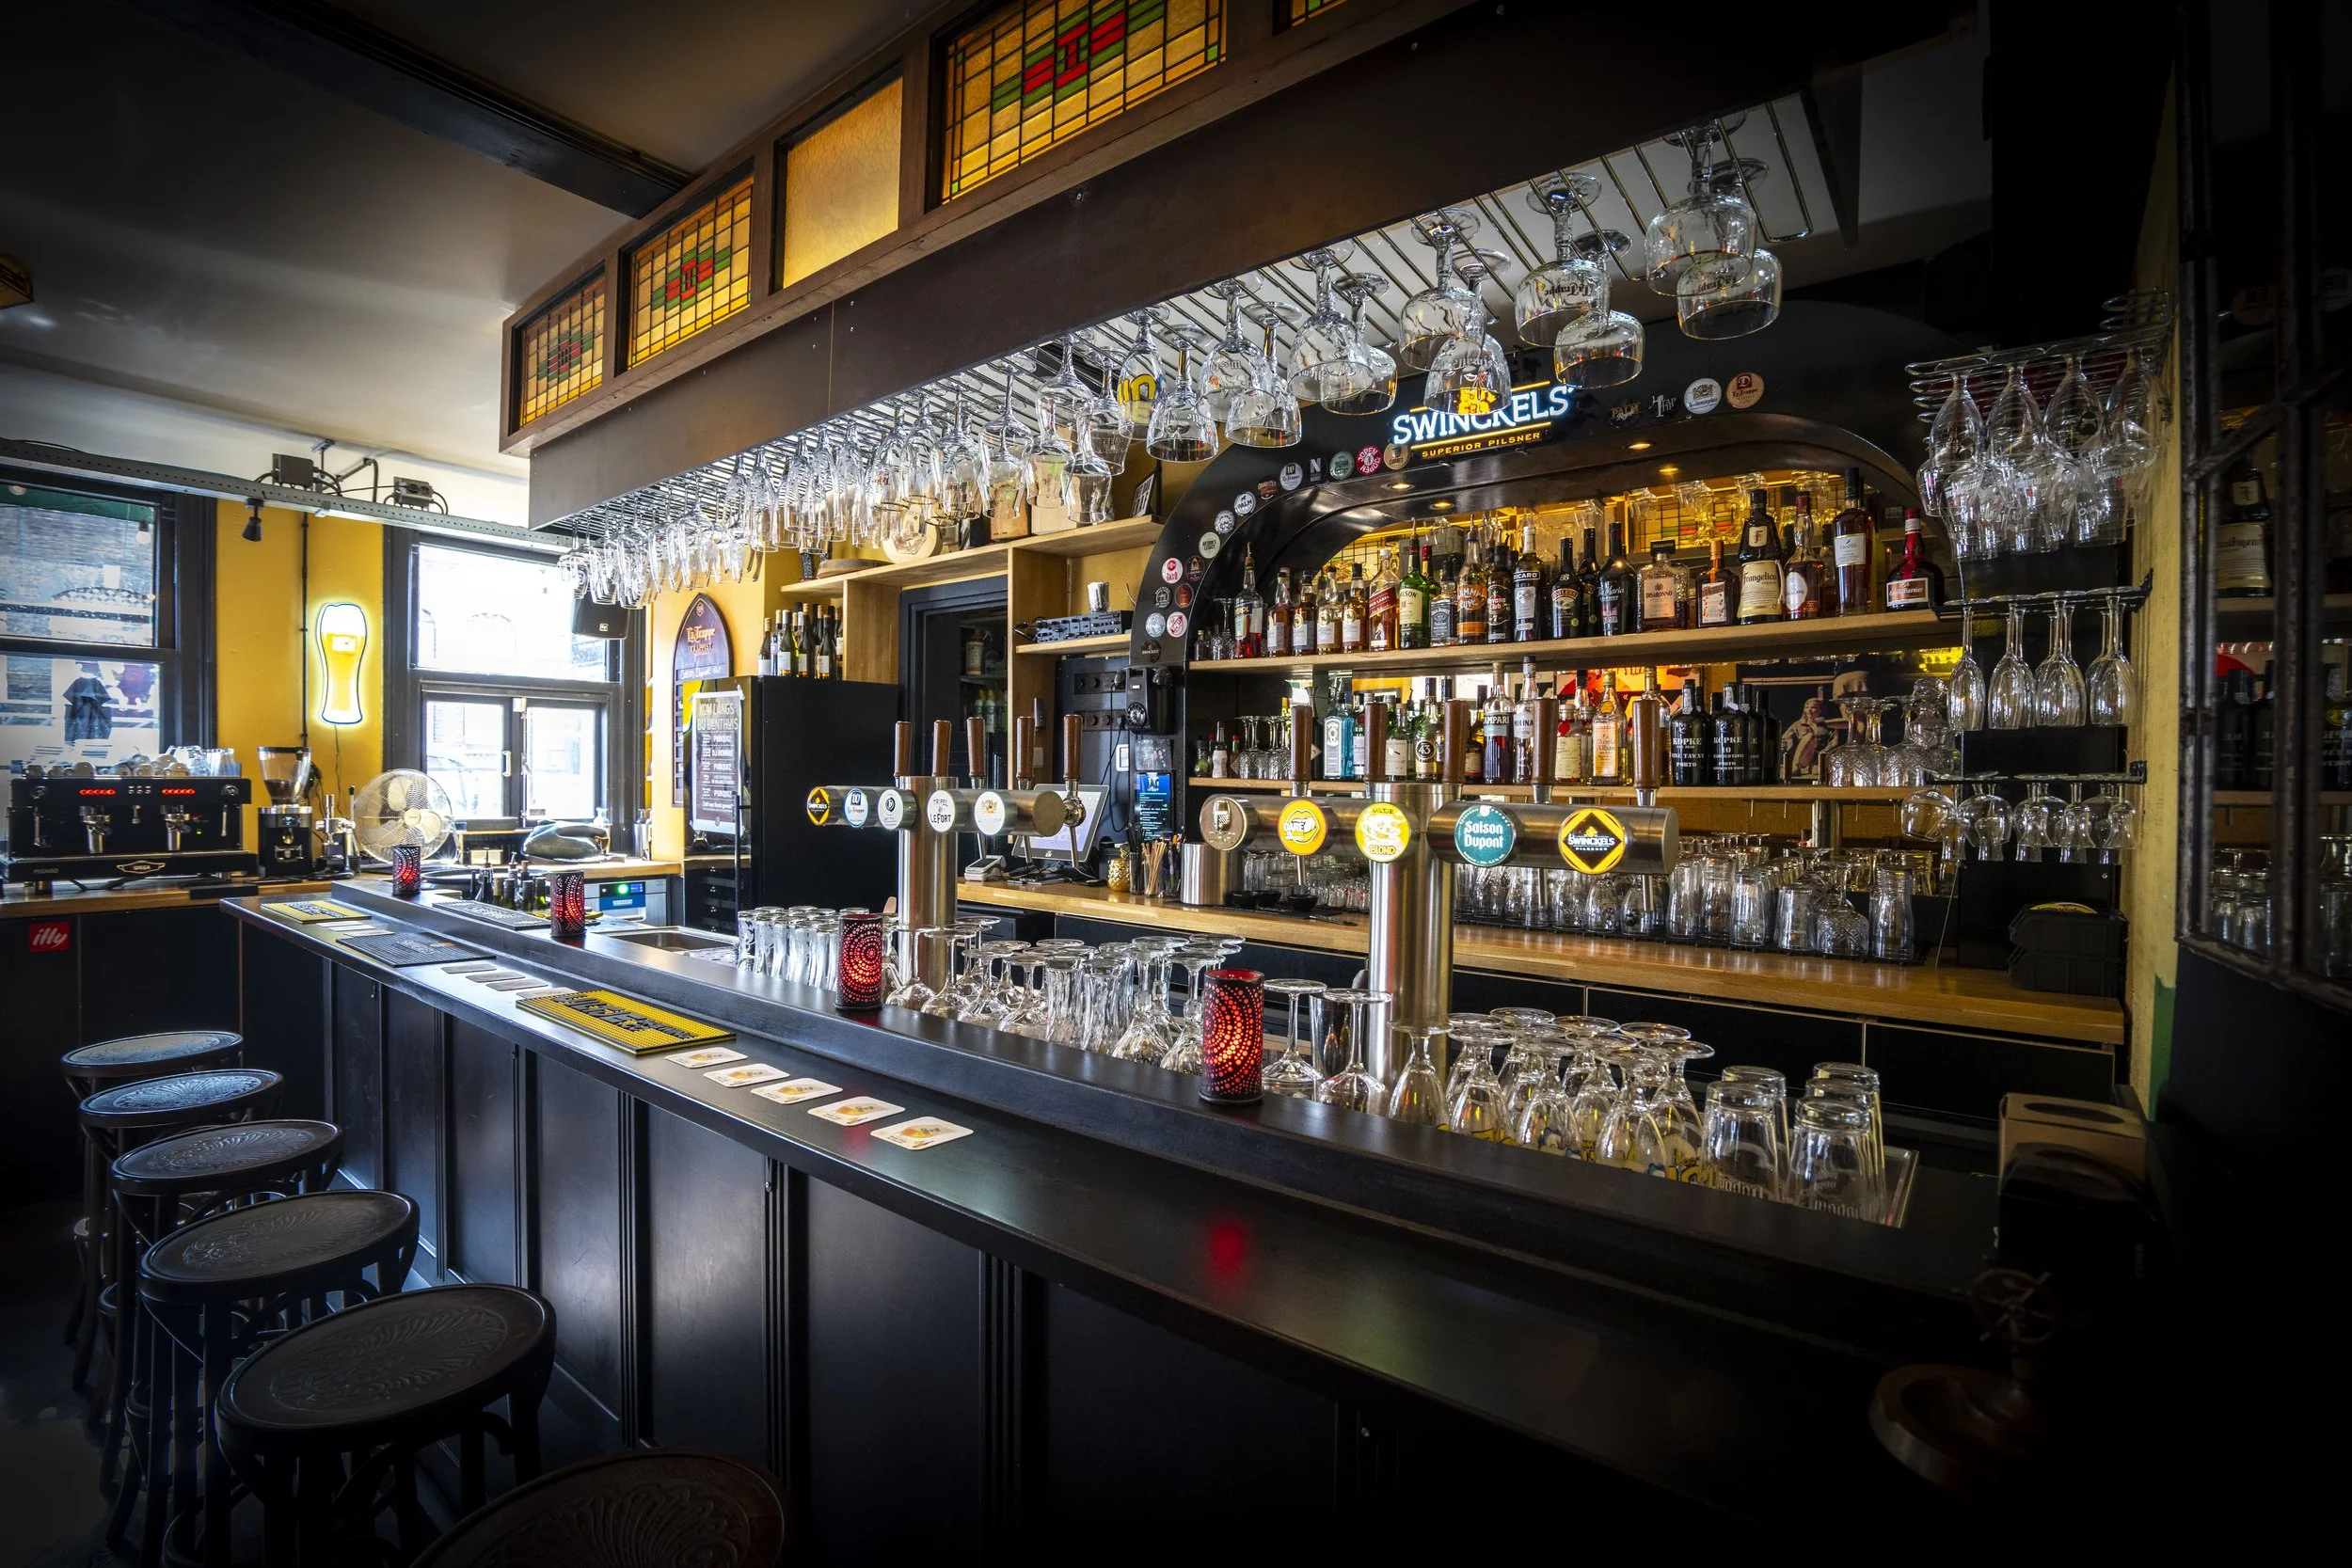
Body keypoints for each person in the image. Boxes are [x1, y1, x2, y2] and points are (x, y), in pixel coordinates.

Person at [1781, 694, 1836, 782]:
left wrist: (1824, 753)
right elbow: (1785, 740)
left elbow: (1834, 742)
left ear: (1820, 710)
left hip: (1820, 758)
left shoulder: (1829, 725)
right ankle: (1796, 765)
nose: (1809, 710)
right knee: (1809, 736)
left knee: (1817, 771)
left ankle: (1813, 766)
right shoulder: (1798, 725)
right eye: (1807, 707)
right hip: (1802, 758)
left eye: (1813, 707)